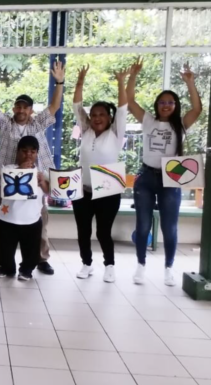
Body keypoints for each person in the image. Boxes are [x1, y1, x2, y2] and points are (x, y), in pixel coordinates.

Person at [0, 60, 65, 275]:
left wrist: (59, 83)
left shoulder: (37, 124)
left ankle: (41, 259)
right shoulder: (6, 124)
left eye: (25, 107)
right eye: (18, 106)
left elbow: (54, 107)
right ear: (14, 108)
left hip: (36, 182)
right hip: (7, 182)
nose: (21, 110)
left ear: (31, 110)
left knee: (40, 220)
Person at [126, 59, 202, 286]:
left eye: (170, 102)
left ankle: (169, 268)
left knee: (170, 228)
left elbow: (197, 109)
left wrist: (190, 82)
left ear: (175, 105)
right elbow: (130, 101)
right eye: (162, 102)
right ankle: (140, 265)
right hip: (146, 177)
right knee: (143, 225)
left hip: (172, 178)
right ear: (157, 105)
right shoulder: (148, 121)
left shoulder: (180, 124)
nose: (166, 105)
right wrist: (133, 75)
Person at [71, 65, 128, 283]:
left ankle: (109, 265)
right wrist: (80, 81)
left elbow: (122, 109)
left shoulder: (115, 133)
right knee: (83, 231)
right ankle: (86, 264)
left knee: (103, 232)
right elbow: (77, 106)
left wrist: (121, 82)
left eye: (101, 114)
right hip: (83, 191)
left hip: (108, 191)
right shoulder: (85, 131)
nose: (97, 118)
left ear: (109, 117)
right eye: (93, 114)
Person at [0, 136, 49, 280]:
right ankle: (6, 268)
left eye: (32, 152)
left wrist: (42, 182)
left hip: (32, 219)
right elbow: (3, 186)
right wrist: (21, 170)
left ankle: (27, 270)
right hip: (8, 218)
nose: (28, 155)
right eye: (24, 151)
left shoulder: (41, 173)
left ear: (37, 153)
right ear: (18, 152)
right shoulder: (8, 168)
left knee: (31, 249)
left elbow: (50, 192)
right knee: (5, 248)